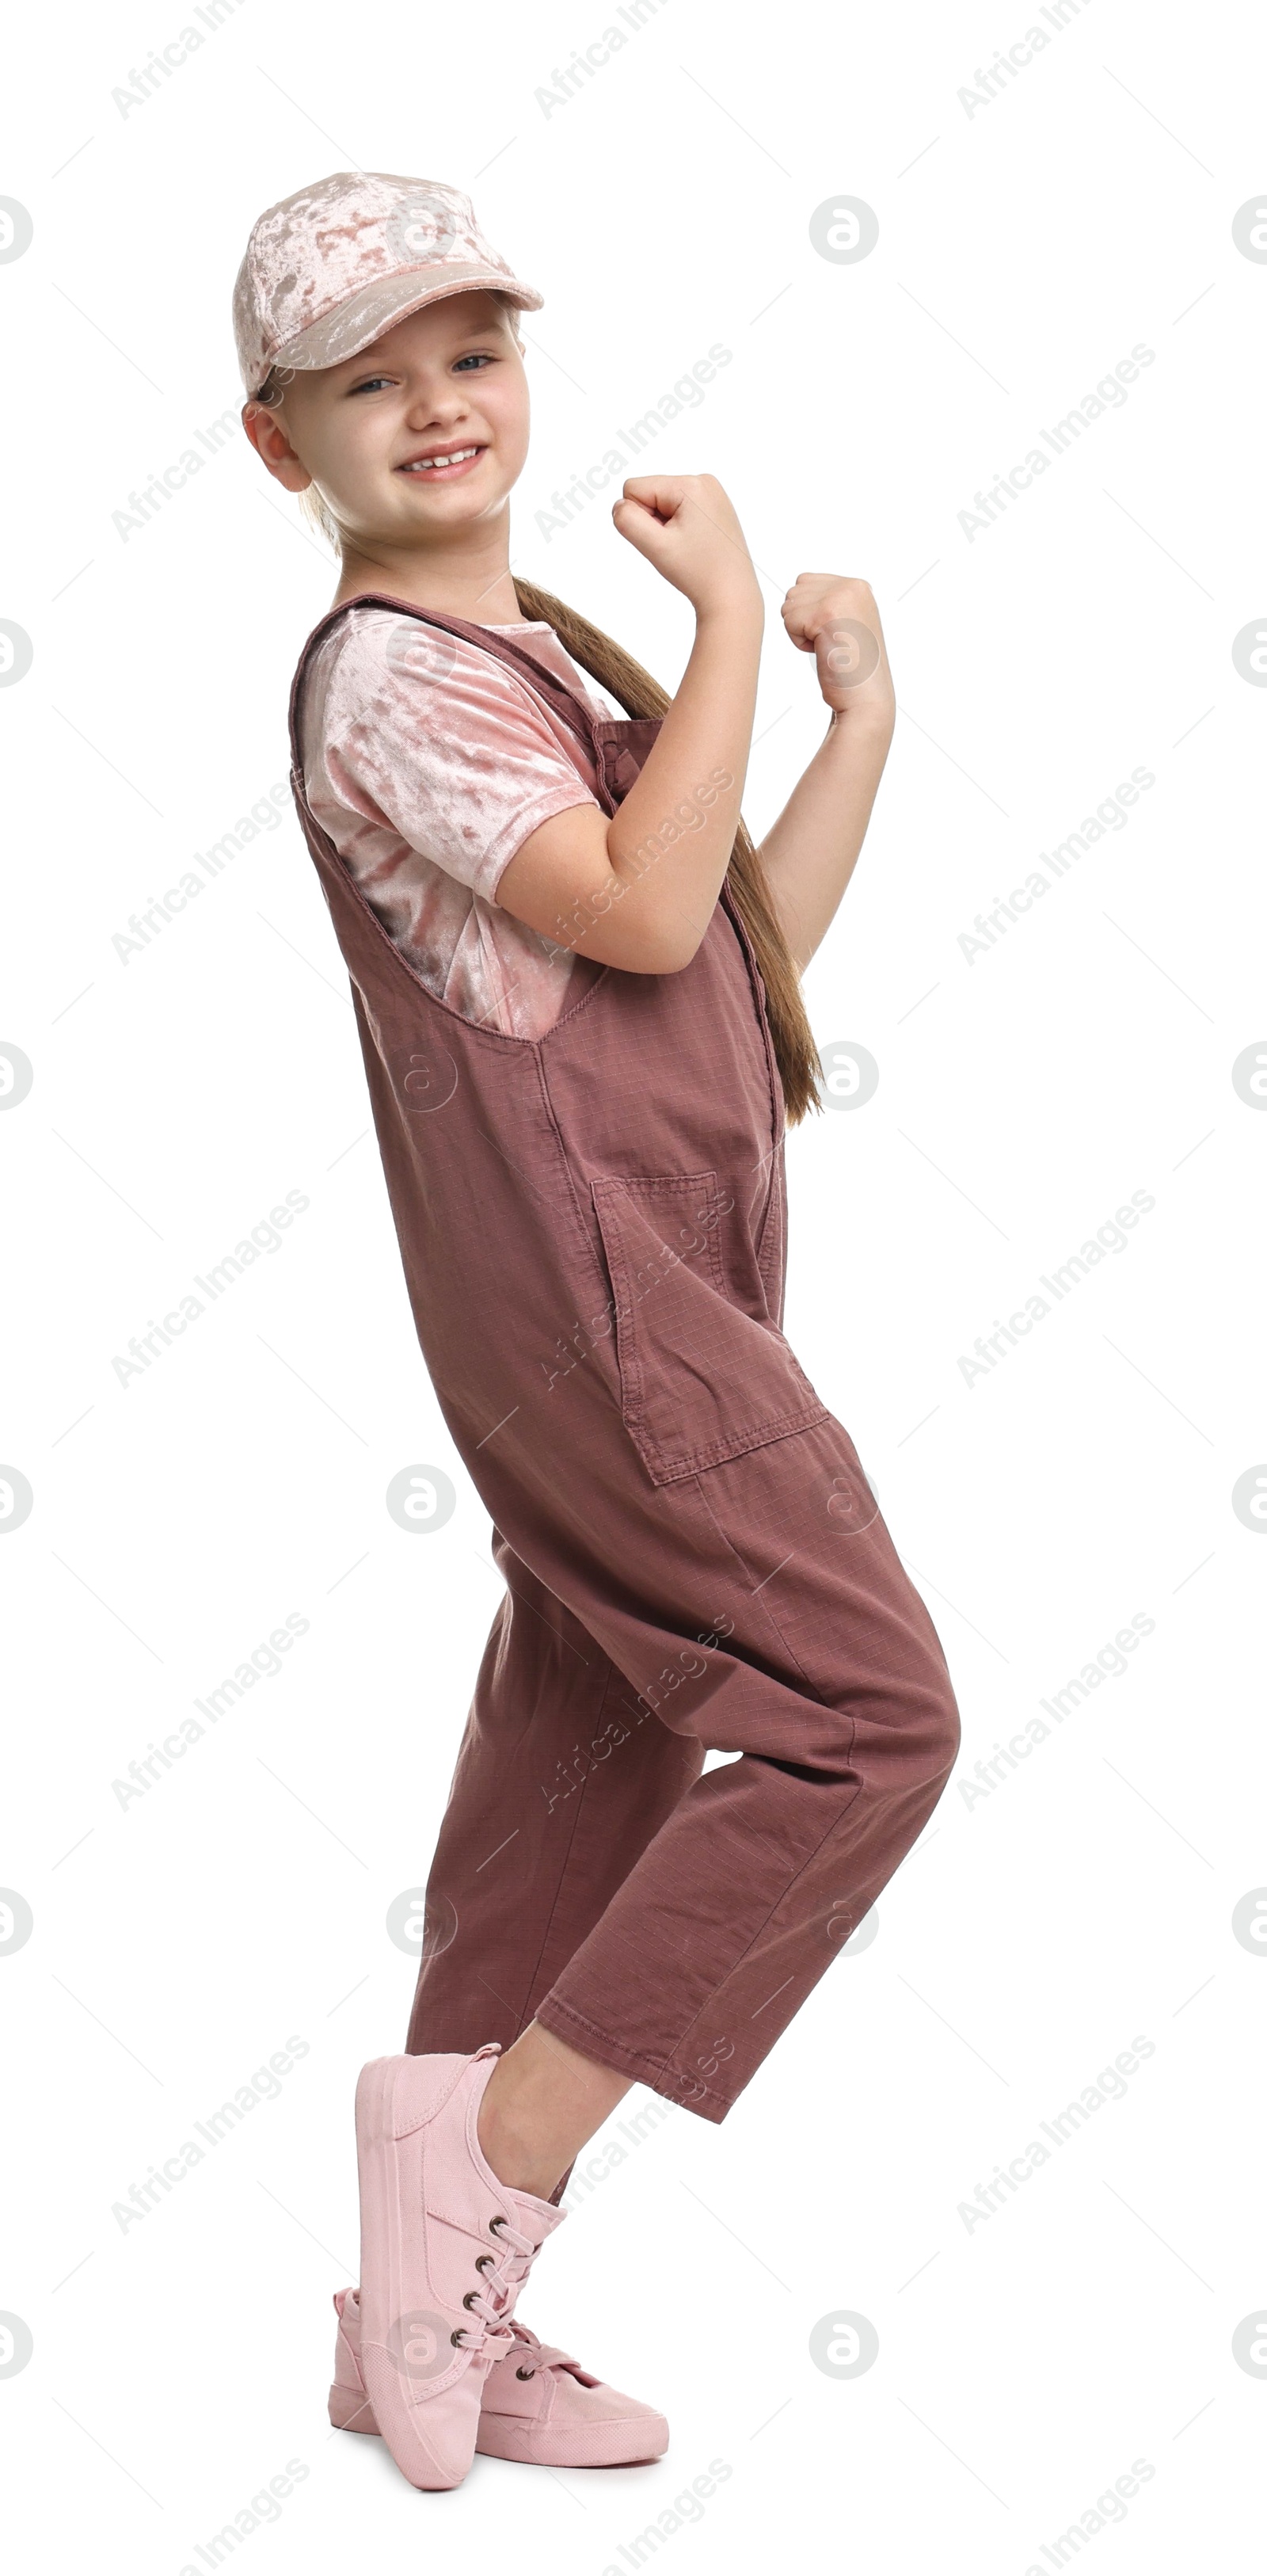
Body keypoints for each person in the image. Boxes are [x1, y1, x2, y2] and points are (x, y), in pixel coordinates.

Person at [234, 170, 961, 2494]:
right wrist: (735, 598)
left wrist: (851, 712)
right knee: (866, 1719)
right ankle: (493, 2161)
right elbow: (649, 900)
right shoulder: (393, 683)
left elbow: (721, 958)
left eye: (468, 354)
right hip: (611, 1322)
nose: (437, 405)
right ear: (285, 447)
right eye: (373, 378)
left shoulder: (520, 659)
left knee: (593, 1769)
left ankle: (416, 2317)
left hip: (634, 1302)